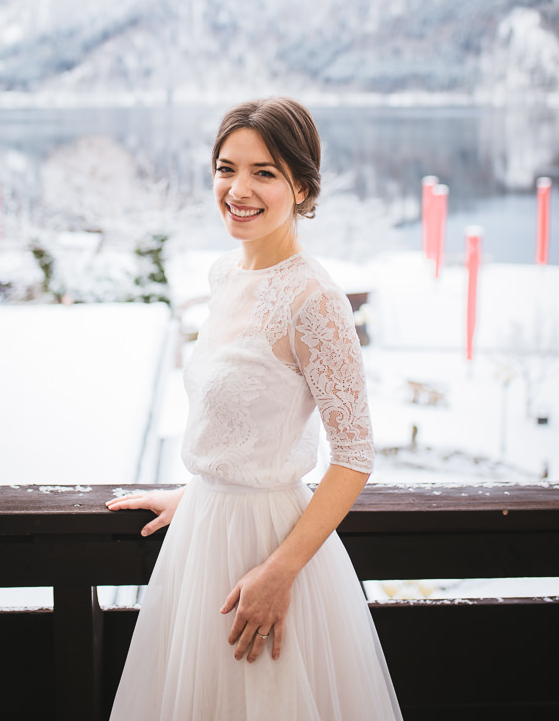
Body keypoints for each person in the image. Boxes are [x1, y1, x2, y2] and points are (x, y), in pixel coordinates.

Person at [106, 97, 402, 720]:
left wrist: (279, 572)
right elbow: (243, 419)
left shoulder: (315, 300)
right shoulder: (224, 275)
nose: (238, 190)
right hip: (201, 537)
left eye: (263, 172)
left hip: (272, 546)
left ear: (302, 187)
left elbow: (354, 456)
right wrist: (201, 493)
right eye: (226, 168)